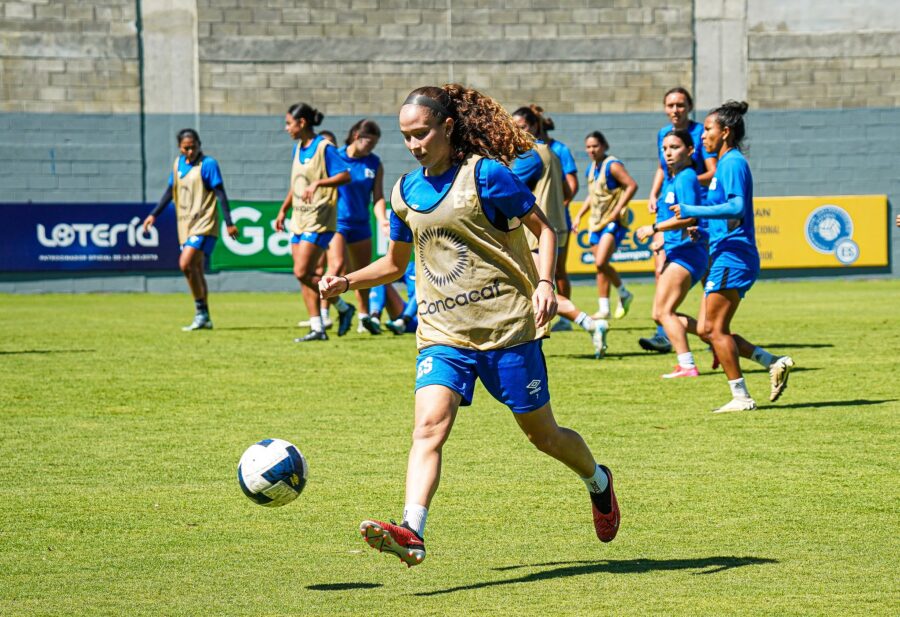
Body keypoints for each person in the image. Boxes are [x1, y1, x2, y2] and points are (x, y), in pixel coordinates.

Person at [320, 84, 621, 567]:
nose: (414, 144)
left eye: (421, 134)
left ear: (447, 127)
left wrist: (545, 283)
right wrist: (346, 280)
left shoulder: (488, 176)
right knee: (428, 429)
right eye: (406, 137)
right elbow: (396, 264)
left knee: (543, 436)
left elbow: (546, 231)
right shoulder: (404, 191)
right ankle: (412, 531)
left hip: (506, 331)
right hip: (442, 335)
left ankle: (597, 481)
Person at [670, 101, 794, 412]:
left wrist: (691, 211)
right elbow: (730, 218)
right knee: (706, 330)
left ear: (725, 132)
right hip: (726, 250)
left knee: (714, 330)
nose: (702, 136)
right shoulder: (723, 165)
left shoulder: (733, 163)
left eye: (708, 130)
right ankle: (772, 362)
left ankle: (742, 397)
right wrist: (706, 231)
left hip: (734, 256)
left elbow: (738, 208)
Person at [511, 108, 608, 358]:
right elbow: (568, 189)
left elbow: (506, 187)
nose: (516, 131)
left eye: (521, 126)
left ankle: (589, 322)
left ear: (534, 126)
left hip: (537, 231)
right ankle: (537, 338)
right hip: (556, 225)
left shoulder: (530, 155)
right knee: (545, 283)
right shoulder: (551, 152)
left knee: (537, 287)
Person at [640, 87, 718, 354]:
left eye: (680, 105)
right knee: (662, 268)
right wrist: (654, 193)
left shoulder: (700, 134)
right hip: (672, 208)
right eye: (670, 105)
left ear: (690, 107)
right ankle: (667, 330)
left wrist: (685, 185)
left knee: (707, 276)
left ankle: (712, 332)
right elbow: (662, 168)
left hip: (697, 213)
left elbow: (712, 171)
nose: (675, 110)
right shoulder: (664, 134)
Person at [142, 129, 238, 331]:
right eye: (186, 147)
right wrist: (154, 214)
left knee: (186, 264)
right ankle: (203, 315)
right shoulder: (178, 165)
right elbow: (170, 191)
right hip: (185, 224)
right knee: (194, 269)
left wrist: (229, 221)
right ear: (179, 147)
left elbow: (220, 194)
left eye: (194, 147)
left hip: (203, 223)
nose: (191, 151)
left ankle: (321, 313)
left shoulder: (208, 164)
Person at [274, 103, 354, 342]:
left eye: (289, 123)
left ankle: (341, 306)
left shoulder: (324, 147)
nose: (286, 128)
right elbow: (296, 183)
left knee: (301, 271)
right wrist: (283, 210)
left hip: (319, 218)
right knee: (304, 274)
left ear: (302, 123)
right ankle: (317, 326)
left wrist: (318, 184)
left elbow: (345, 175)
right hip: (298, 218)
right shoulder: (298, 148)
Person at [635, 129, 709, 378]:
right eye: (665, 148)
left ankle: (687, 364)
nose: (668, 152)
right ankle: (716, 339)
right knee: (660, 313)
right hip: (678, 250)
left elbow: (689, 216)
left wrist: (654, 228)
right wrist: (662, 241)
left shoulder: (687, 176)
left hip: (688, 254)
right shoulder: (673, 177)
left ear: (690, 151)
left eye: (675, 147)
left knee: (664, 312)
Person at [327, 119, 389, 334]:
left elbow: (378, 197)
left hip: (361, 225)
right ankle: (323, 317)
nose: (371, 147)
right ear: (356, 136)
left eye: (375, 143)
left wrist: (382, 219)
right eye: (368, 142)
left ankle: (363, 317)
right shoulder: (336, 157)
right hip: (337, 223)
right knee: (336, 268)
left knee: (362, 275)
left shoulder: (374, 163)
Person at [572, 131, 638, 322]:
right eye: (588, 146)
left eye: (595, 146)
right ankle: (604, 309)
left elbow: (632, 185)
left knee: (601, 261)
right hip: (595, 222)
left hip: (612, 221)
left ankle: (623, 292)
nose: (591, 150)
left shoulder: (613, 165)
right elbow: (592, 195)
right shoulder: (591, 168)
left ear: (604, 146)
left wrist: (618, 209)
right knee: (600, 267)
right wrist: (579, 215)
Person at [525, 105, 580, 331]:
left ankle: (570, 318)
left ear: (536, 125)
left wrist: (554, 203)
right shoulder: (534, 151)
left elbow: (571, 188)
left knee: (555, 273)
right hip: (555, 219)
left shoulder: (557, 150)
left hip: (552, 219)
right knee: (549, 273)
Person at [368, 260, 419, 335]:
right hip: (406, 316)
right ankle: (375, 318)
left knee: (422, 290)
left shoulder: (437, 267)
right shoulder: (411, 266)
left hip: (427, 317)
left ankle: (403, 322)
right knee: (381, 279)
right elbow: (393, 273)